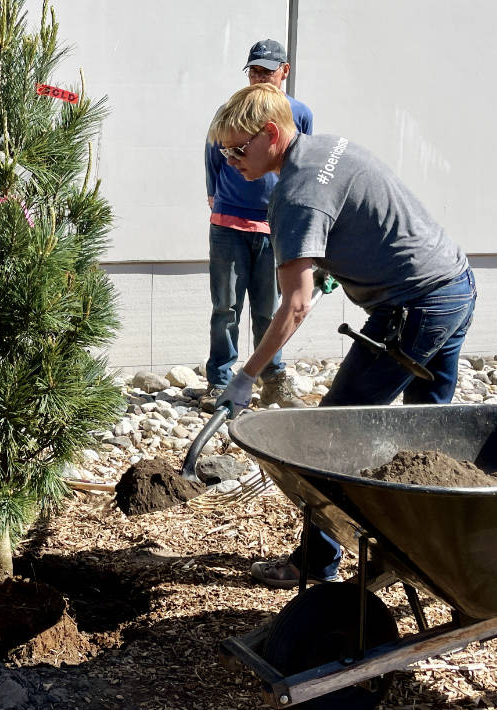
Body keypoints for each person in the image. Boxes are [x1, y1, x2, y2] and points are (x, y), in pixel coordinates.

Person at [209, 84, 476, 588]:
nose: (231, 161)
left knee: (331, 433)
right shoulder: (330, 146)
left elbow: (295, 305)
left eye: (239, 149)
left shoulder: (294, 195)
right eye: (224, 151)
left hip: (414, 308)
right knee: (433, 435)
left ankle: (316, 561)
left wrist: (247, 377)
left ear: (271, 133)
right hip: (456, 285)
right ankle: (435, 556)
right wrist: (336, 265)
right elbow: (363, 215)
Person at [203, 39, 313, 411]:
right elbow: (214, 154)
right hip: (229, 224)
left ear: (285, 71)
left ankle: (272, 378)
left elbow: (302, 164)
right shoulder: (230, 111)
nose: (259, 77)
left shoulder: (299, 113)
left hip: (275, 226)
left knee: (270, 308)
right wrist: (214, 197)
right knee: (226, 307)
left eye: (267, 70)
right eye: (253, 70)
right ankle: (219, 380)